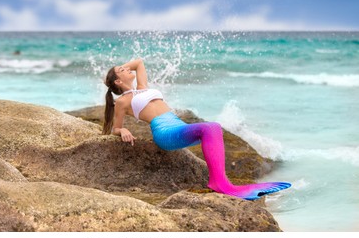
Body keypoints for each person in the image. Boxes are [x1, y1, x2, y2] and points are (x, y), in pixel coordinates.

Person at [103, 58, 291, 200]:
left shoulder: (142, 87)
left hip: (178, 125)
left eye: (125, 67)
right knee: (211, 128)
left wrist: (119, 71)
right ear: (118, 82)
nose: (127, 68)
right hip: (164, 132)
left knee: (213, 129)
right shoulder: (122, 101)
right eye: (122, 70)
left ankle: (220, 180)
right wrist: (123, 131)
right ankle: (219, 183)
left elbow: (139, 62)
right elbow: (116, 128)